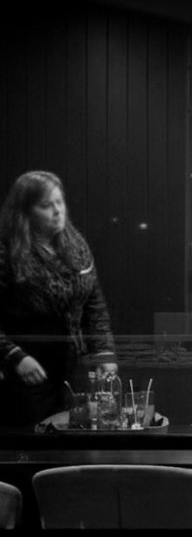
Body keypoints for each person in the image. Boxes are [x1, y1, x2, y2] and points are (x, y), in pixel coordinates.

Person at [0, 171, 116, 425]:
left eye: (59, 202)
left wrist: (104, 354)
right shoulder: (7, 251)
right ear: (25, 211)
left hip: (71, 365)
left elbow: (94, 306)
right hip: (26, 367)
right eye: (46, 205)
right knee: (30, 438)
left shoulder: (75, 245)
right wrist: (15, 357)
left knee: (70, 431)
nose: (57, 210)